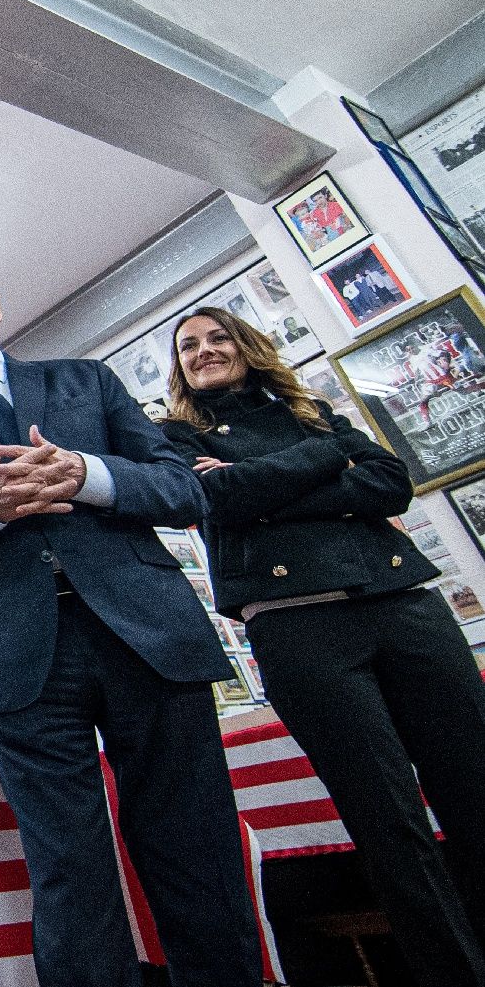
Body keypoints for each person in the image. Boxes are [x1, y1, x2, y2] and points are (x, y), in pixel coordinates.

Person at [0, 266, 259, 987]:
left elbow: (181, 488)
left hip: (147, 638)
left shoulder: (87, 381)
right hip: (15, 663)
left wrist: (86, 474)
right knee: (67, 863)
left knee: (193, 844)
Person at [162, 305, 485, 986]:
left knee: (475, 790)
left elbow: (391, 481)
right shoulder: (172, 435)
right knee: (390, 823)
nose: (204, 350)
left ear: (247, 345)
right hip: (298, 628)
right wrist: (328, 460)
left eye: (218, 337)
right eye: (189, 345)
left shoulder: (307, 409)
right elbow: (221, 499)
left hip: (404, 604)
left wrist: (266, 481)